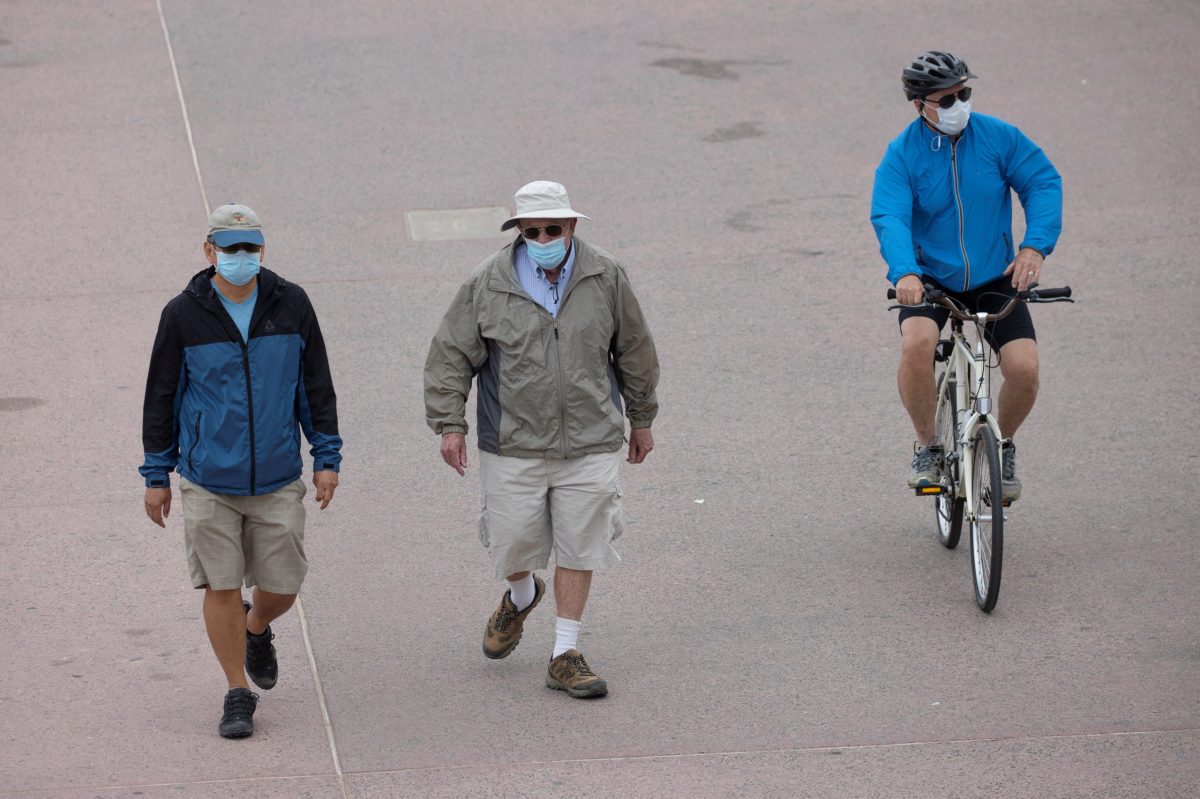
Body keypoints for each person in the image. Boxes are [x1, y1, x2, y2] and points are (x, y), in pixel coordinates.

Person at [424, 181, 659, 698]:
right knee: (512, 543)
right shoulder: (488, 282)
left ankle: (564, 653)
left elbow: (635, 347)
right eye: (533, 231)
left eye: (554, 228)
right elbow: (450, 355)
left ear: (572, 226)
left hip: (590, 439)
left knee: (582, 541)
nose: (544, 238)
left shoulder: (605, 275)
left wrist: (641, 417)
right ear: (521, 233)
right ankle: (522, 592)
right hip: (513, 442)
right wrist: (450, 424)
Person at [140, 203, 342, 738]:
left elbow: (315, 386)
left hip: (278, 477)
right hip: (208, 479)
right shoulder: (182, 315)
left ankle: (257, 627)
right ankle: (237, 690)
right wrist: (157, 475)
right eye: (230, 248)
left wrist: (326, 458)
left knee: (284, 587)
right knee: (220, 585)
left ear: (262, 249)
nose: (241, 257)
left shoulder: (291, 303)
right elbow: (161, 397)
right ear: (209, 251)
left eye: (250, 247)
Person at [871, 51, 1062, 502]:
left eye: (965, 93)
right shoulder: (901, 156)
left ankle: (1004, 443)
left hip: (997, 275)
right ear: (920, 105)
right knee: (917, 344)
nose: (960, 103)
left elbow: (1041, 182)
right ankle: (928, 447)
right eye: (947, 98)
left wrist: (1035, 245)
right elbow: (890, 216)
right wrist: (905, 273)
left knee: (1025, 368)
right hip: (929, 279)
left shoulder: (997, 137)